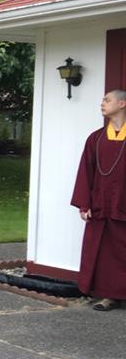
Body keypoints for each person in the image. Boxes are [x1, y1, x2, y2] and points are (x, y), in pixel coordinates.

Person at [72, 89, 126, 311]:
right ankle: (109, 296)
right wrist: (84, 204)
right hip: (101, 206)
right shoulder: (96, 139)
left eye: (107, 100)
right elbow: (86, 172)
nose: (102, 103)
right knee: (105, 254)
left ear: (122, 104)